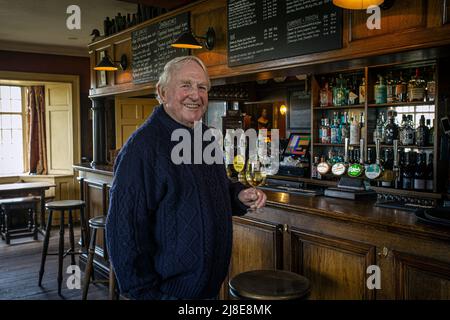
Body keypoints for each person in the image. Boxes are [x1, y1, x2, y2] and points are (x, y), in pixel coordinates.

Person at [105, 56, 267, 300]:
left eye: (202, 87)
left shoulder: (204, 137)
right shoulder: (143, 147)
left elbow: (216, 190)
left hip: (207, 290)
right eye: (186, 85)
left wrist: (238, 196)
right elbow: (123, 229)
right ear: (162, 92)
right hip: (166, 294)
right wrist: (145, 295)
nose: (196, 95)